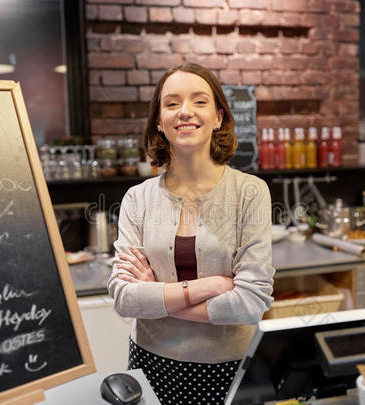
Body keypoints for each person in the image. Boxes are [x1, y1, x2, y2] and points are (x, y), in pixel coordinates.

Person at [107, 63, 274, 404]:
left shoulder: (250, 193)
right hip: (150, 365)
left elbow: (251, 303)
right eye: (171, 103)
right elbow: (124, 298)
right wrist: (207, 287)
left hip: (230, 367)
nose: (185, 112)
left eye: (199, 101)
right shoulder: (137, 199)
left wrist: (157, 297)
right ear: (158, 121)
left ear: (219, 117)